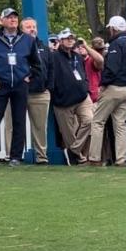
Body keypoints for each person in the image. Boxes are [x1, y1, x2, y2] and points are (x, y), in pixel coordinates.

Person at [0, 8, 41, 169]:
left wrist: (29, 76)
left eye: (15, 17)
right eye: (9, 17)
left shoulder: (28, 40)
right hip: (0, 85)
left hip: (20, 85)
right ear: (2, 21)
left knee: (19, 121)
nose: (12, 20)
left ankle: (15, 157)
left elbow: (37, 65)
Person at [87, 15, 126, 167]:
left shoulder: (116, 45)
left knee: (97, 121)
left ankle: (94, 158)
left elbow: (112, 68)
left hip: (114, 88)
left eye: (110, 28)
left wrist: (103, 83)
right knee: (120, 124)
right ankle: (121, 159)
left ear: (113, 29)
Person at [48, 29, 93, 164]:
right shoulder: (54, 57)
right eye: (67, 38)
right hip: (63, 100)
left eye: (72, 38)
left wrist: (85, 86)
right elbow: (51, 77)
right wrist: (55, 94)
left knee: (90, 121)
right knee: (68, 134)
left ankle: (73, 150)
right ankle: (77, 157)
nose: (70, 40)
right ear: (60, 41)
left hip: (81, 97)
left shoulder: (77, 56)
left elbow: (83, 73)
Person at [19, 17, 54, 164]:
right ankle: (14, 156)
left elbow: (51, 69)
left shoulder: (44, 48)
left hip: (40, 93)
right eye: (28, 27)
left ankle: (41, 157)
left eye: (34, 27)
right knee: (16, 125)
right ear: (21, 30)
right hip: (19, 92)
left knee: (40, 127)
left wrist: (48, 87)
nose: (32, 29)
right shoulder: (15, 47)